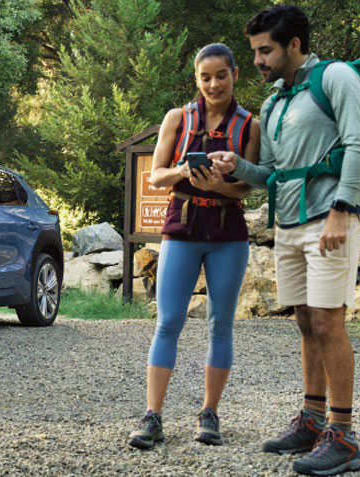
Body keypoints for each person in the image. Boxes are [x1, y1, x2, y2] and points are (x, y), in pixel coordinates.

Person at [210, 5, 360, 475]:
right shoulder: (275, 101)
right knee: (304, 320)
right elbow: (275, 175)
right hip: (291, 224)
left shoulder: (336, 78)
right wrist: (236, 166)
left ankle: (343, 435)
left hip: (331, 218)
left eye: (265, 51)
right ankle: (312, 418)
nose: (257, 61)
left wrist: (343, 209)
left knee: (328, 321)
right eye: (255, 51)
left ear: (294, 46)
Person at [127, 43, 260, 450]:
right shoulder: (177, 118)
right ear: (196, 80)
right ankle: (152, 417)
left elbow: (249, 185)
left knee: (221, 323)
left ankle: (210, 413)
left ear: (235, 74)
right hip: (181, 228)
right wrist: (187, 168)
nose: (214, 84)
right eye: (206, 77)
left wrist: (221, 183)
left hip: (227, 233)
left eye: (221, 75)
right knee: (168, 322)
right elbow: (156, 177)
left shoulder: (249, 125)